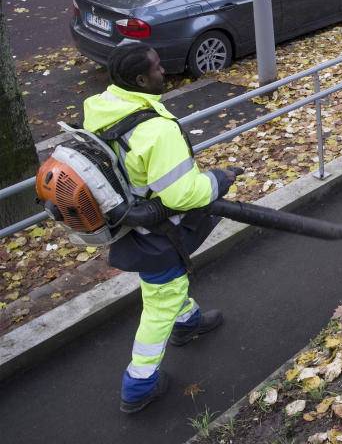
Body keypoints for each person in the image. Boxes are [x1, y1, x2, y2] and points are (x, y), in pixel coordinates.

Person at [83, 43, 236, 414]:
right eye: (155, 68)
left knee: (166, 287)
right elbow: (183, 194)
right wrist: (219, 179)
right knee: (159, 301)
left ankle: (188, 322)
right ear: (140, 79)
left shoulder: (103, 107)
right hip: (160, 230)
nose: (162, 71)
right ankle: (138, 384)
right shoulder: (155, 131)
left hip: (132, 222)